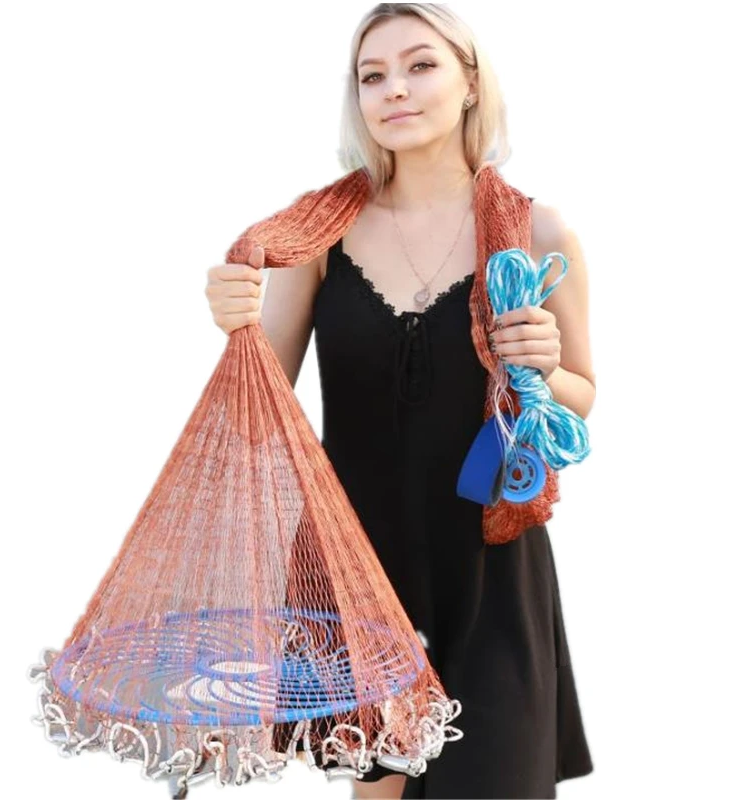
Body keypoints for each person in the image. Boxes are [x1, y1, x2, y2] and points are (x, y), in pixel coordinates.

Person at [205, 4, 596, 798]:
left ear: (470, 81)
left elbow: (580, 399)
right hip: (355, 570)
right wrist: (235, 326)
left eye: (421, 65)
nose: (395, 90)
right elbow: (259, 410)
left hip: (490, 568)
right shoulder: (314, 234)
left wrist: (545, 366)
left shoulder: (537, 232)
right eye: (372, 75)